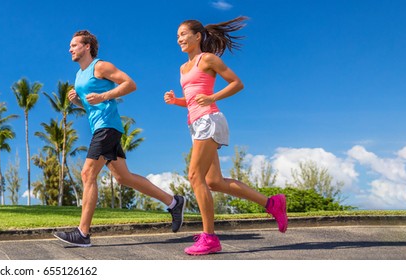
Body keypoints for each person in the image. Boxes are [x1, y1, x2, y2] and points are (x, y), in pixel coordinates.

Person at [163, 16, 288, 255]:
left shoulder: (207, 59)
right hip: (196, 123)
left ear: (197, 36)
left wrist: (213, 97)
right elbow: (192, 101)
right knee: (213, 181)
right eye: (177, 35)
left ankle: (209, 237)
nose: (179, 39)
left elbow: (237, 83)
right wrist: (176, 101)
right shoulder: (183, 68)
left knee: (194, 176)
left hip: (210, 121)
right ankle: (272, 204)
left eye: (183, 34)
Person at [54, 30, 186, 247]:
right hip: (100, 126)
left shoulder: (100, 66)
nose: (70, 49)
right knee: (124, 177)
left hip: (107, 127)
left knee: (87, 174)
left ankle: (83, 233)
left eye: (74, 45)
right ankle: (173, 202)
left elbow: (130, 84)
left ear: (87, 46)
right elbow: (91, 106)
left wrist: (104, 95)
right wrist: (78, 102)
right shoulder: (79, 75)